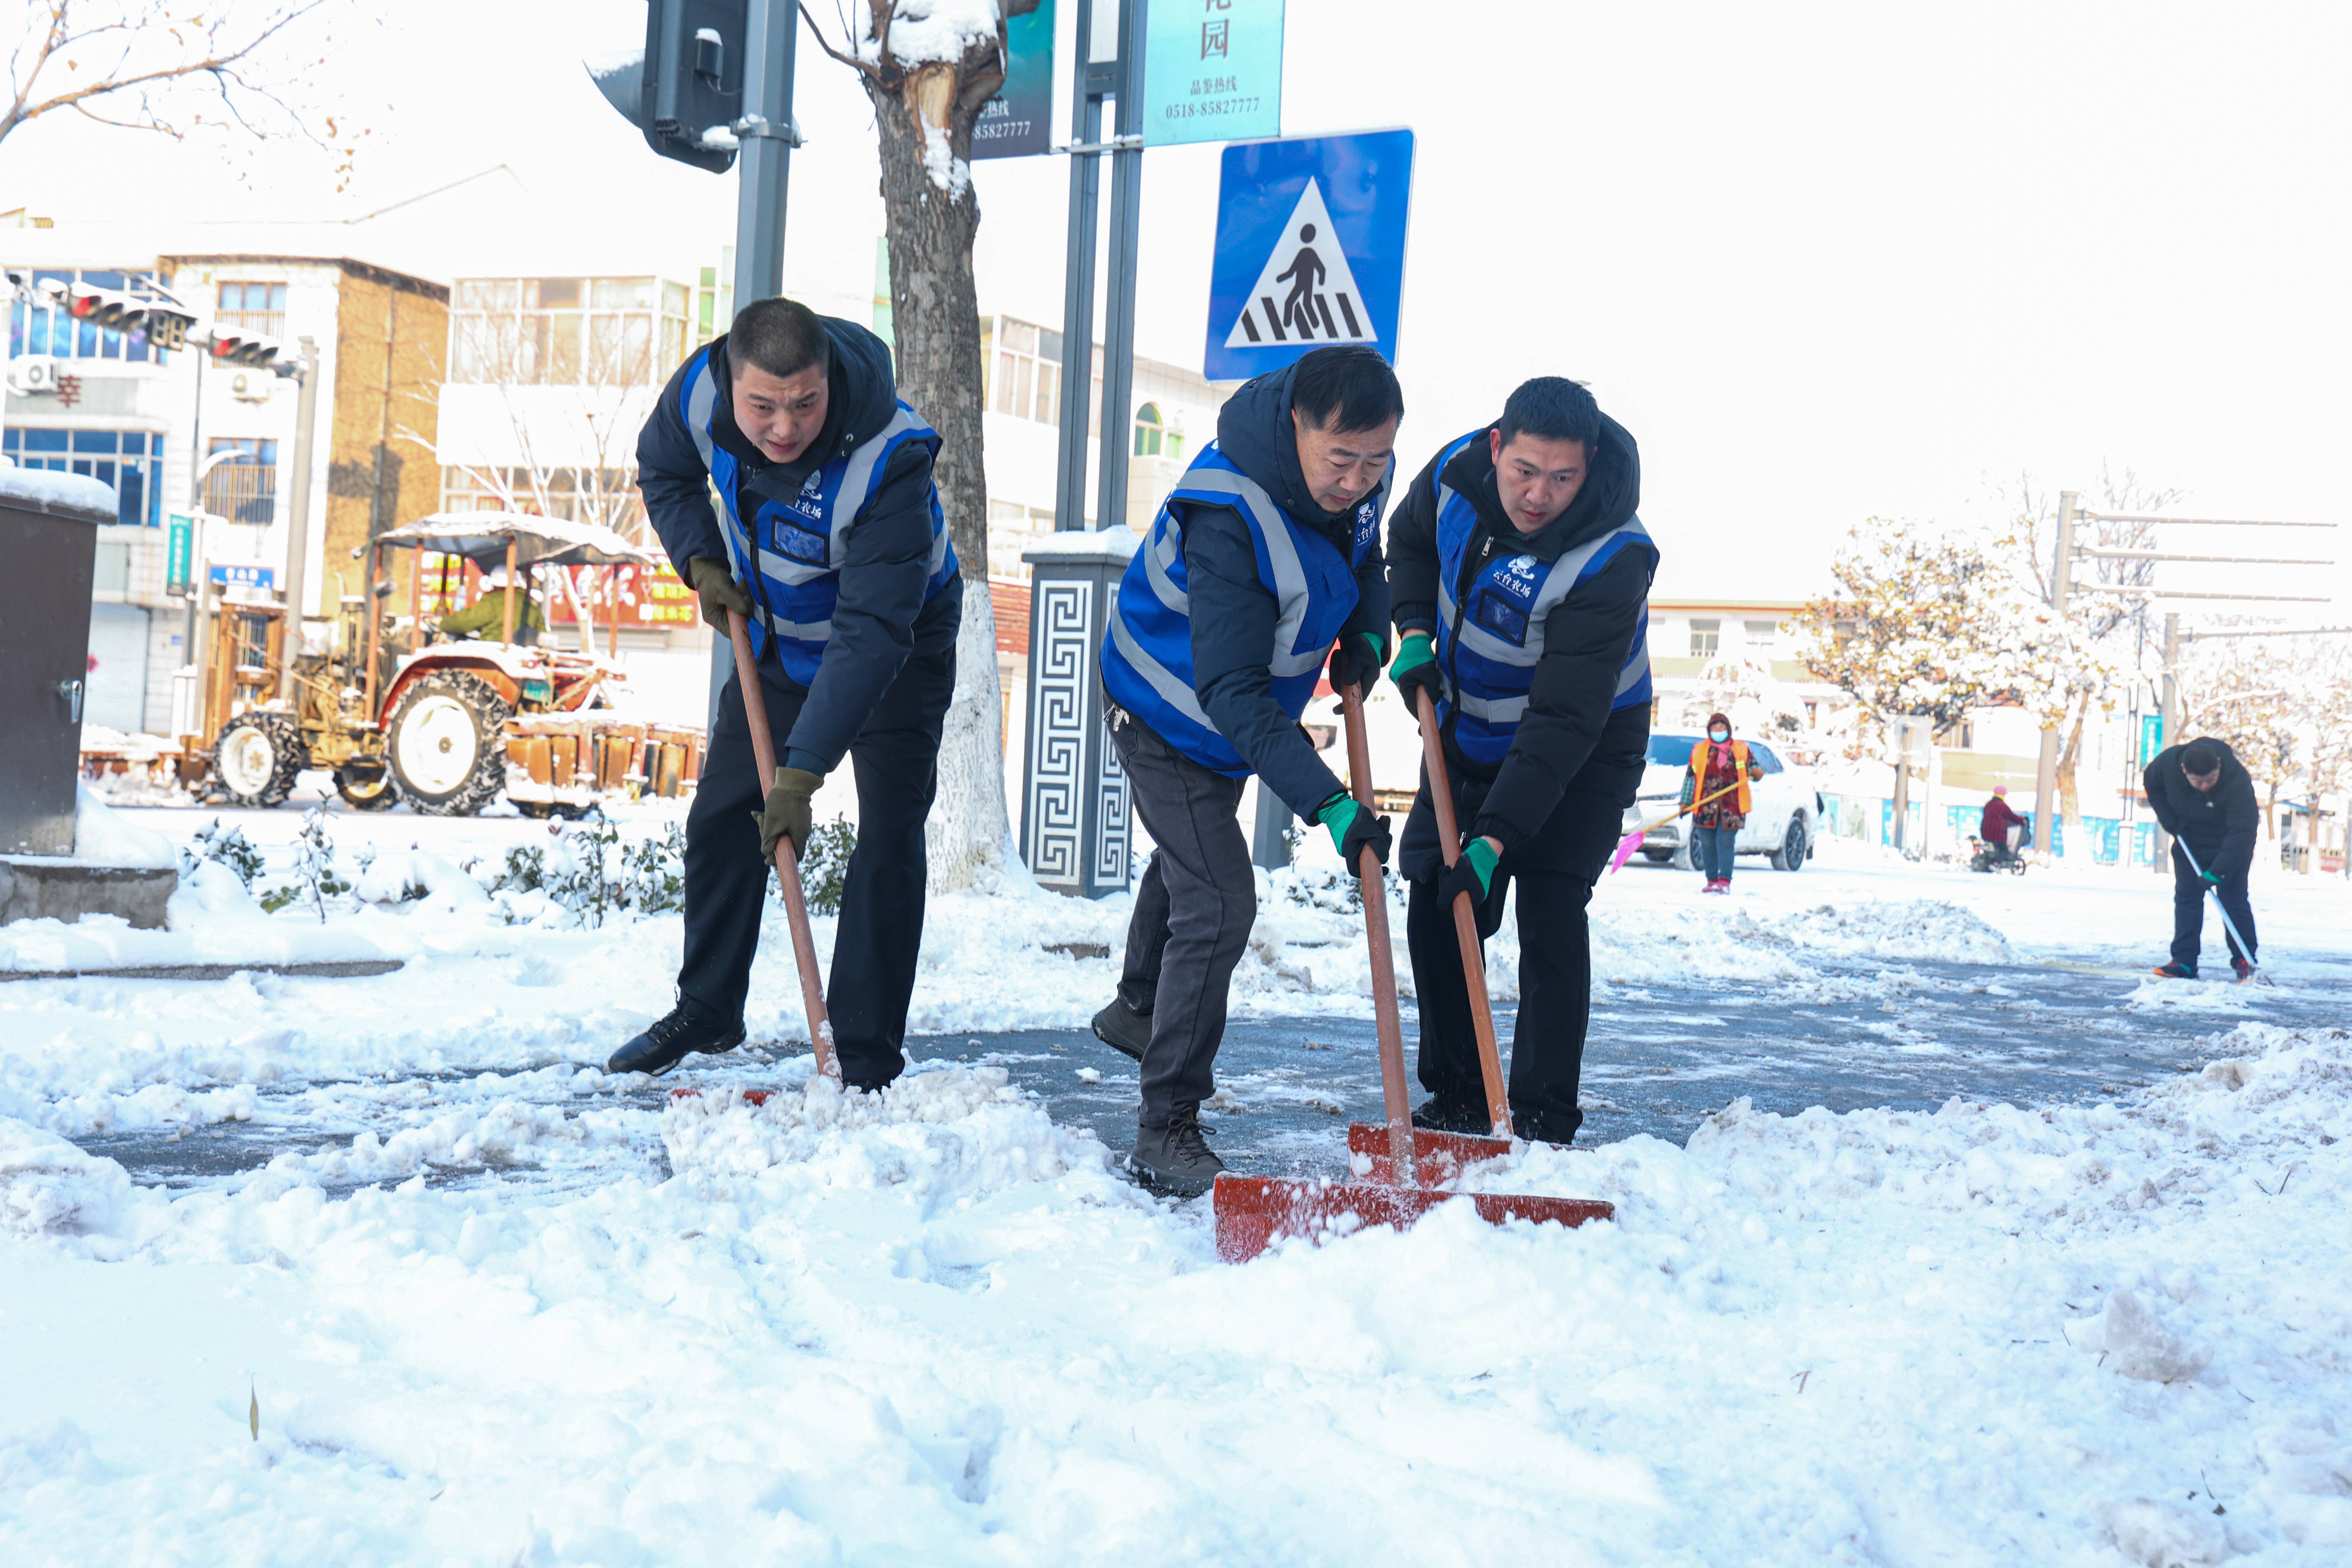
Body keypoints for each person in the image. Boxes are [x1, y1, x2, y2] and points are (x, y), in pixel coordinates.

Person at [607, 297, 962, 1083]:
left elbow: (871, 633)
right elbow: (664, 469)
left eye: (804, 403)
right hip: (772, 634)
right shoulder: (698, 393)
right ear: (731, 380)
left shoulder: (889, 458)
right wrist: (699, 558)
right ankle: (708, 1007)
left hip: (898, 648)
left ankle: (863, 1055)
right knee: (722, 815)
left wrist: (802, 774)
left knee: (890, 832)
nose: (783, 426)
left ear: (828, 379)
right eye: (762, 405)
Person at [1090, 345, 1403, 1193]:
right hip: (1166, 710)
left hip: (1229, 718)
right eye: (1340, 459)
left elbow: (1363, 553)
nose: (1357, 479)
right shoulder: (1232, 515)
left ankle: (1139, 1006)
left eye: (1376, 460)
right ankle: (1166, 1127)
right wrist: (1330, 806)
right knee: (1222, 895)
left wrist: (1368, 634)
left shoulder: (1358, 477)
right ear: (1294, 429)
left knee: (1194, 860)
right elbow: (1229, 693)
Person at [1387, 377, 1658, 1145]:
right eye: (1525, 471)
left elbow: (1564, 719)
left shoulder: (1613, 556)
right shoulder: (1452, 479)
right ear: (1497, 447)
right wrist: (1411, 629)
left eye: (1562, 478)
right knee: (1439, 894)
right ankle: (1464, 1095)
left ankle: (1540, 1111)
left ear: (1590, 464)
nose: (1539, 495)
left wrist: (1495, 837)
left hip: (1583, 747)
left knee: (1547, 903)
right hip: (1466, 724)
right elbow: (1406, 547)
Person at [2144, 735, 2260, 979]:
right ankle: (2184, 961)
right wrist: (2168, 818)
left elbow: (2243, 831)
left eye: (2210, 780)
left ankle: (2244, 959)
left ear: (2219, 764)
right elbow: (2152, 784)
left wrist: (2219, 872)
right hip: (2190, 841)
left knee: (2233, 900)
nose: (2205, 786)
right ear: (2184, 771)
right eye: (2198, 781)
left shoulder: (2238, 781)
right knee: (2187, 899)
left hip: (2230, 844)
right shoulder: (2167, 765)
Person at [1681, 713, 1763, 893]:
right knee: (1707, 843)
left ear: (1728, 730)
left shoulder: (1741, 749)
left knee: (1725, 842)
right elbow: (1690, 778)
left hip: (1732, 806)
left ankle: (1724, 881)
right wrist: (1685, 802)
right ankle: (1712, 881)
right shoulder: (1699, 750)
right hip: (1705, 806)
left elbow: (1752, 768)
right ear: (1709, 730)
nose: (1718, 731)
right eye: (1715, 728)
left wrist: (1756, 772)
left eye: (1722, 728)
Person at [436, 568, 545, 645]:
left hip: (494, 653)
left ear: (495, 584)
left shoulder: (492, 601)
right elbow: (543, 633)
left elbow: (465, 622)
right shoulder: (532, 607)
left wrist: (443, 623)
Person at [1979, 785, 2027, 865]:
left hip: (1985, 832)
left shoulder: (1988, 805)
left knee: (1993, 848)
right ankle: (1995, 864)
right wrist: (2022, 821)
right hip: (1997, 835)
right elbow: (2011, 817)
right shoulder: (2002, 806)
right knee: (2004, 850)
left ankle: (1988, 862)